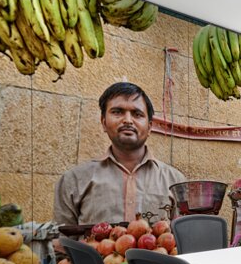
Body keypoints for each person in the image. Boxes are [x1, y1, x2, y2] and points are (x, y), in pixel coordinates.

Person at [53, 82, 186, 225]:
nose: (128, 120)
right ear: (104, 122)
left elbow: (184, 234)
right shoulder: (74, 180)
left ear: (149, 127)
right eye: (117, 112)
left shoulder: (175, 181)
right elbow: (62, 237)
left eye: (137, 114)